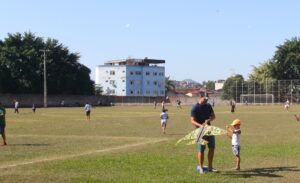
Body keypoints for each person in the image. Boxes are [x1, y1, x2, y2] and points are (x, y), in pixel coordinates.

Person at [191, 92, 216, 174]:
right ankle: (201, 168)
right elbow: (192, 120)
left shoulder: (208, 106)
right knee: (201, 150)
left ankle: (210, 167)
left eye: (207, 99)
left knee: (212, 148)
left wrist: (209, 120)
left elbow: (213, 116)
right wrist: (200, 126)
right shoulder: (195, 107)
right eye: (205, 99)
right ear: (200, 97)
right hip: (200, 131)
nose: (206, 100)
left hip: (209, 130)